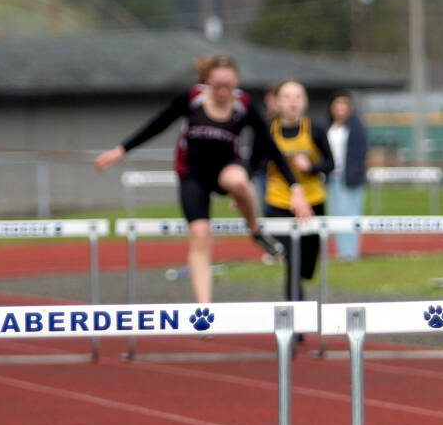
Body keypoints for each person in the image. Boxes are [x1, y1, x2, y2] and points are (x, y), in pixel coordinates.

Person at [95, 54, 313, 303]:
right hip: (193, 173)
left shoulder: (243, 104)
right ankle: (204, 307)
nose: (223, 92)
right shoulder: (192, 99)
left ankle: (255, 230)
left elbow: (270, 147)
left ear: (236, 82)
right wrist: (121, 150)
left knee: (239, 181)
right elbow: (158, 124)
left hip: (226, 169)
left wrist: (295, 188)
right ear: (208, 81)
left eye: (228, 86)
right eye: (217, 86)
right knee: (200, 234)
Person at [265, 79, 332, 301]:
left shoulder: (315, 129)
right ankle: (297, 312)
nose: (293, 102)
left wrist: (311, 167)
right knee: (292, 260)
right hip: (279, 201)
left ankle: (300, 278)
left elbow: (331, 163)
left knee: (306, 266)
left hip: (313, 202)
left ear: (305, 102)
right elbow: (254, 162)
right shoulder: (268, 131)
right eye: (287, 97)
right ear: (276, 102)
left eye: (298, 97)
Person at [326, 91, 369, 260]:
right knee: (336, 215)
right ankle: (341, 252)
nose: (340, 108)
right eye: (337, 104)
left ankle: (350, 253)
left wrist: (354, 172)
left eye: (344, 104)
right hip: (332, 178)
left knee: (350, 215)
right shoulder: (329, 128)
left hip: (350, 179)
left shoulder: (356, 127)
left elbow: (361, 153)